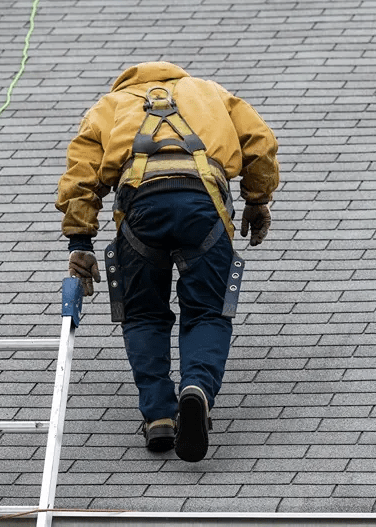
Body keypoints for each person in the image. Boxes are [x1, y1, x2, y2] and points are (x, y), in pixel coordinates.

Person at [56, 62, 278, 462]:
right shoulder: (210, 93)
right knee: (208, 311)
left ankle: (159, 414)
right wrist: (257, 200)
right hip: (203, 205)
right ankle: (197, 390)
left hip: (141, 208)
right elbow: (259, 140)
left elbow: (81, 175)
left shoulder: (111, 104)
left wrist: (80, 240)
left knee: (143, 314)